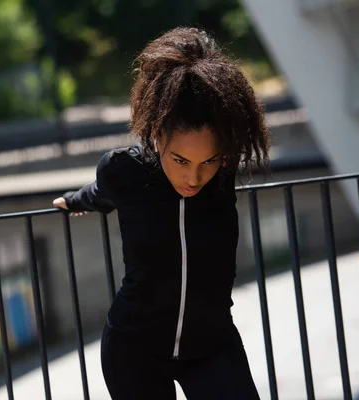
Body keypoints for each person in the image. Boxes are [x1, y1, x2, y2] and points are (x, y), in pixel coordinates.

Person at [52, 27, 270, 399]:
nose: (194, 176)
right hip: (135, 351)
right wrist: (75, 201)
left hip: (213, 347)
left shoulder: (223, 173)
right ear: (156, 133)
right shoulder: (126, 170)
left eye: (209, 160)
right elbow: (102, 193)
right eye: (181, 160)